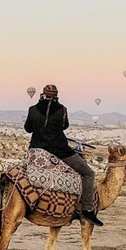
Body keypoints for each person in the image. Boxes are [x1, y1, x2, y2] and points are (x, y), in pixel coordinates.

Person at [24, 84, 102, 226]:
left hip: (37, 151)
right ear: (56, 96)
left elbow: (27, 128)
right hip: (59, 150)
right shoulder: (62, 110)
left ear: (43, 95)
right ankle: (87, 209)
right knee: (88, 173)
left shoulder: (32, 110)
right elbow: (65, 126)